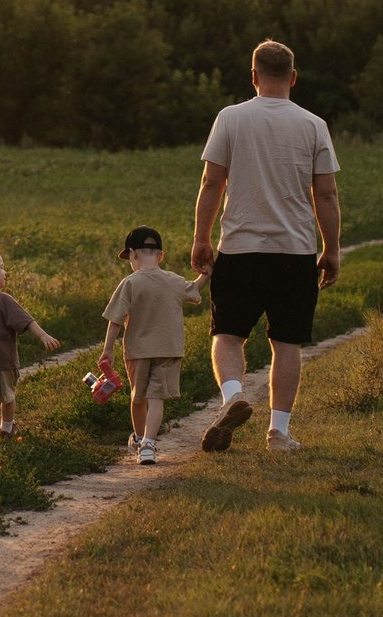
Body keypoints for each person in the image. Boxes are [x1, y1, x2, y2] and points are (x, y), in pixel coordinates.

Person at [190, 39, 341, 453]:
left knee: (228, 333)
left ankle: (234, 395)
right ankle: (278, 432)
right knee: (287, 342)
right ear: (293, 77)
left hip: (239, 249)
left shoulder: (230, 118)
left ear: (253, 77)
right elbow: (325, 195)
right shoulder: (313, 125)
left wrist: (202, 239)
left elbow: (211, 182)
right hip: (294, 253)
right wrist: (331, 249)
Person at [99, 226, 200, 464]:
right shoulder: (173, 281)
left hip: (137, 351)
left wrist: (107, 350)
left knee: (138, 397)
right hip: (169, 349)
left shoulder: (130, 283)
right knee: (157, 398)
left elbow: (115, 320)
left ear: (133, 254)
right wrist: (206, 272)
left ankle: (140, 437)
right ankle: (148, 445)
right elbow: (195, 289)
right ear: (161, 255)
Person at [0, 245, 60, 440]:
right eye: (1, 267)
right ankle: (6, 428)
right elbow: (26, 321)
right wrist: (43, 336)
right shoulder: (3, 300)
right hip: (4, 361)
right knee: (8, 396)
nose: (5, 272)